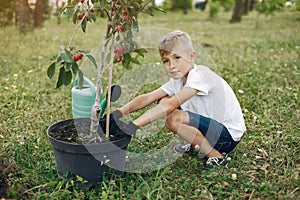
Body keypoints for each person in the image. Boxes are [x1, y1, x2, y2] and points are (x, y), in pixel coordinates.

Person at [113, 30, 246, 169]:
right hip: (211, 129)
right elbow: (149, 97)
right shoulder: (177, 80)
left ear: (192, 57)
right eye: (166, 61)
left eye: (177, 58)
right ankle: (197, 145)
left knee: (172, 116)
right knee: (162, 99)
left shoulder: (200, 75)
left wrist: (133, 126)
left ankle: (216, 156)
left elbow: (171, 105)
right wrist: (119, 112)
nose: (172, 66)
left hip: (226, 136)